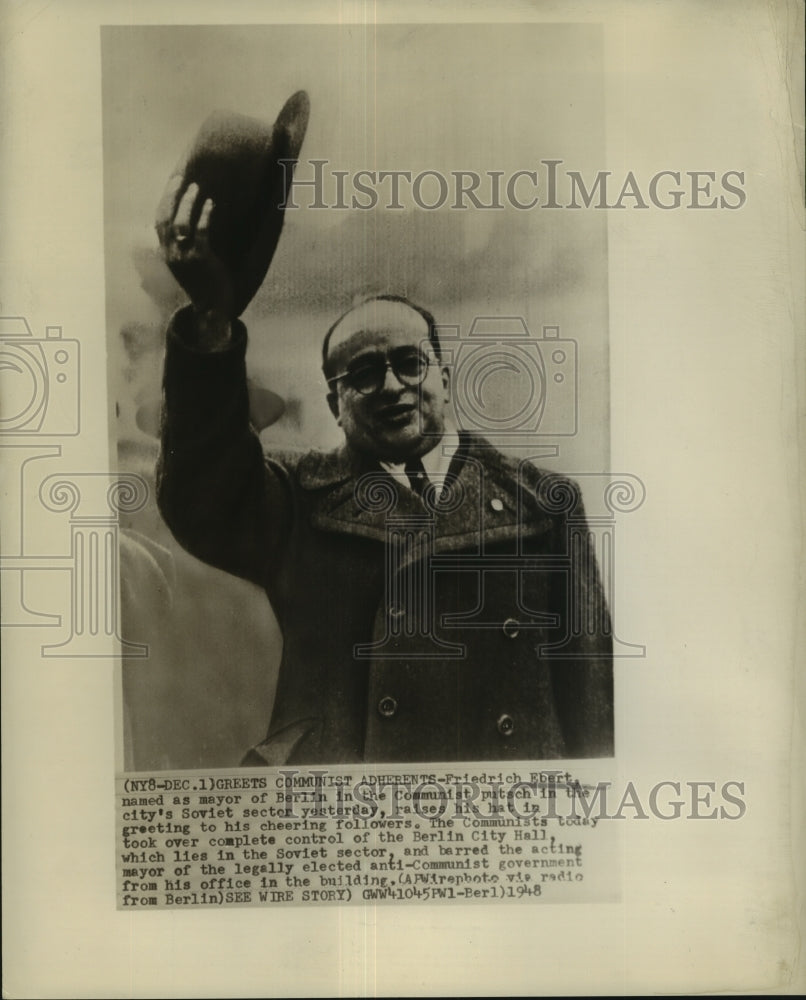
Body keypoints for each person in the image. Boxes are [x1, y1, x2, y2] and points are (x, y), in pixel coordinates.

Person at [155, 135, 614, 767]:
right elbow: (201, 491)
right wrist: (210, 318)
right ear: (334, 404)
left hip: (502, 820)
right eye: (364, 374)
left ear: (445, 379)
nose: (391, 385)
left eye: (408, 364)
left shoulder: (545, 504)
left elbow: (595, 706)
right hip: (346, 823)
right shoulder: (295, 501)